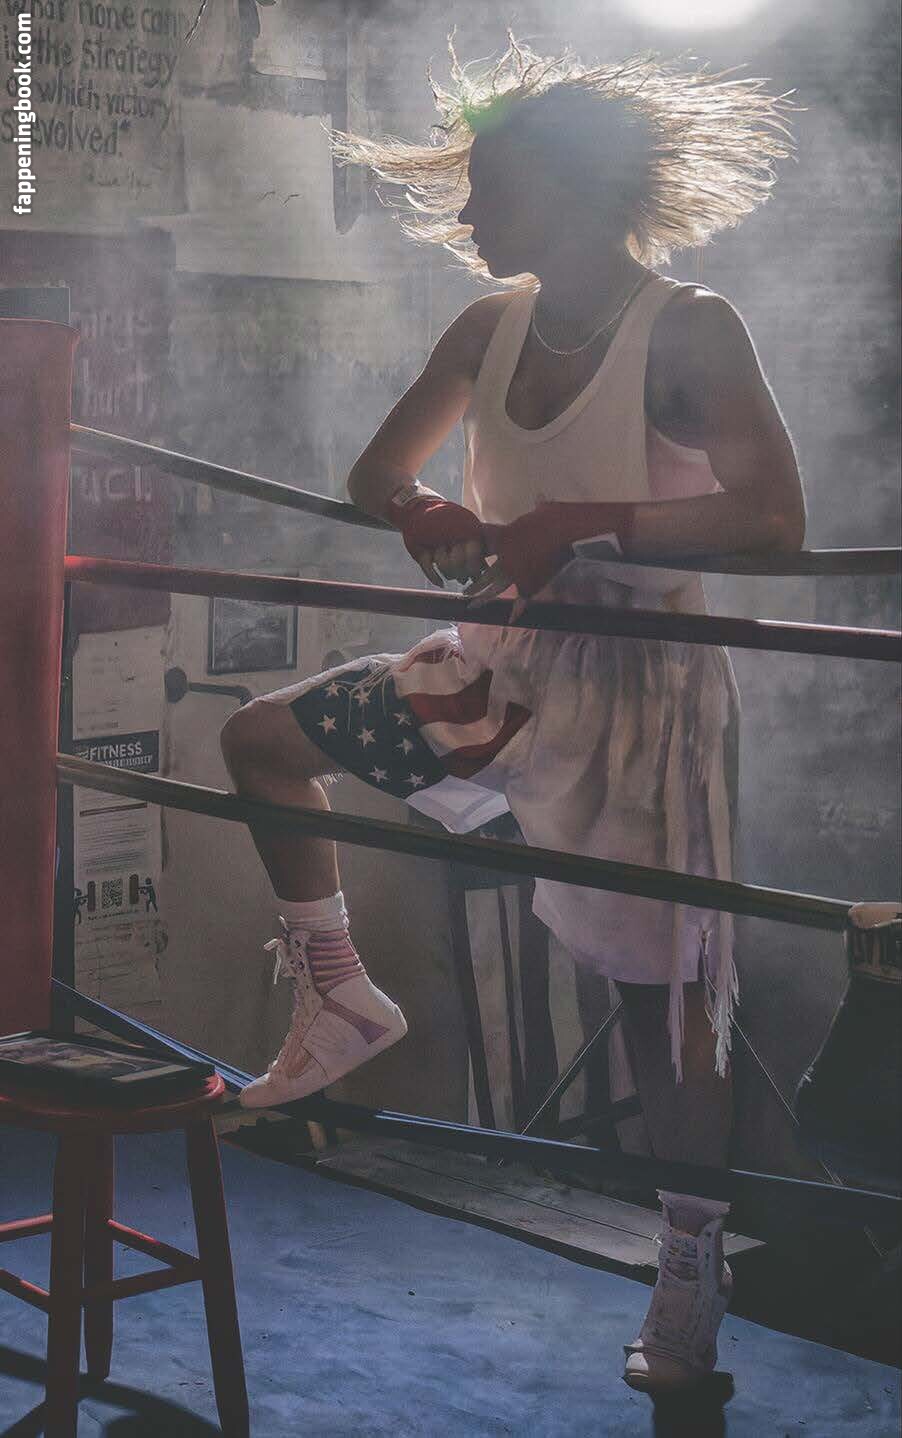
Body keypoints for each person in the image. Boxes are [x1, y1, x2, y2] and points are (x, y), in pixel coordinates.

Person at [219, 34, 805, 1391]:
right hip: (495, 666)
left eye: (492, 189)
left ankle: (688, 1268)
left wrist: (581, 520)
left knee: (661, 1002)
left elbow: (773, 517)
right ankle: (339, 994)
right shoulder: (488, 326)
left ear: (572, 191)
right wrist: (422, 507)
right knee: (262, 737)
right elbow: (377, 467)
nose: (470, 213)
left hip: (641, 698)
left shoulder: (689, 328)